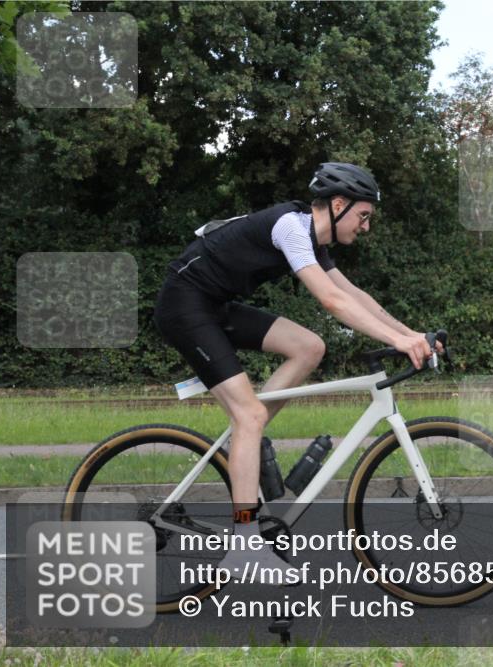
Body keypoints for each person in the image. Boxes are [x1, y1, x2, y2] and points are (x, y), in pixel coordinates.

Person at [153, 163, 437, 578]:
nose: (365, 226)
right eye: (363, 215)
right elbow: (332, 302)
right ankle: (244, 545)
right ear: (338, 205)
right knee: (248, 415)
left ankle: (246, 437)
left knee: (309, 347)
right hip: (185, 305)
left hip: (214, 306)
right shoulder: (291, 226)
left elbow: (353, 294)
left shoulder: (316, 244)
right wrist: (398, 343)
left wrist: (412, 334)